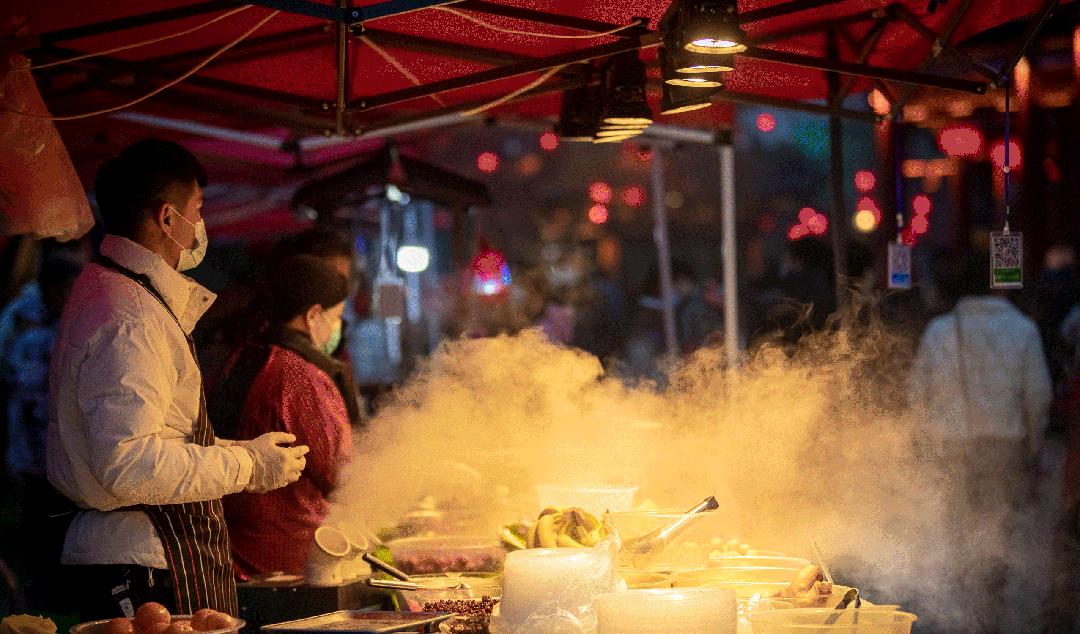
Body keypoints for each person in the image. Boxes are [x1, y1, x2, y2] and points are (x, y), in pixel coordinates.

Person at [46, 139, 309, 620]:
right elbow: (127, 464)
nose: (201, 226)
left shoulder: (120, 293)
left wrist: (241, 452)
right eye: (199, 209)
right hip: (139, 569)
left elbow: (156, 434)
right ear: (169, 219)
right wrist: (246, 467)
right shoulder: (130, 316)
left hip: (148, 556)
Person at [909, 249, 1051, 632]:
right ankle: (991, 611)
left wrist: (924, 443)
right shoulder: (1024, 329)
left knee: (961, 531)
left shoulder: (939, 330)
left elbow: (917, 394)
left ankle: (965, 610)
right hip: (1005, 448)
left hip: (953, 448)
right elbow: (1038, 397)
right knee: (999, 532)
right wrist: (1033, 448)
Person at [222, 256, 356, 577]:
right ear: (313, 315)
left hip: (236, 550)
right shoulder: (299, 375)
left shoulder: (244, 355)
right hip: (286, 560)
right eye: (336, 317)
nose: (337, 327)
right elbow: (341, 470)